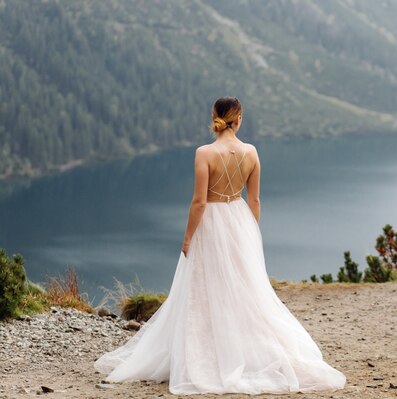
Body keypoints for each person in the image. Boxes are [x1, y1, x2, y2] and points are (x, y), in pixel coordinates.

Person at [94, 96, 346, 395]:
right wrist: (250, 231)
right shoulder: (251, 152)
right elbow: (254, 200)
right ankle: (246, 352)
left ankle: (204, 356)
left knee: (204, 287)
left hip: (211, 222)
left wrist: (188, 237)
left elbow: (199, 201)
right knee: (243, 290)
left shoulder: (205, 153)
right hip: (239, 219)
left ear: (214, 117)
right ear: (238, 119)